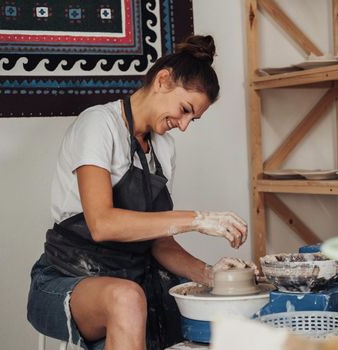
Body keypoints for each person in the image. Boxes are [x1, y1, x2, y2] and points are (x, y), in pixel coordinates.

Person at [27, 35, 254, 350]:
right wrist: (197, 219)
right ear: (162, 81)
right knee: (128, 299)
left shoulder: (163, 149)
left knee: (206, 310)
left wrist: (209, 274)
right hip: (67, 276)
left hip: (133, 275)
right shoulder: (99, 124)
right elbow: (102, 223)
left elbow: (160, 242)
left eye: (193, 118)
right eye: (185, 109)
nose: (185, 125)